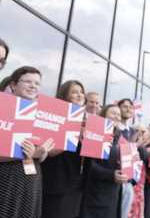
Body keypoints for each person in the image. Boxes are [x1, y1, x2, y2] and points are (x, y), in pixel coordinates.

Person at [0, 66, 55, 218]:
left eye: (37, 83)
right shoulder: (2, 107)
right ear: (13, 85)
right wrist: (26, 155)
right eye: (28, 81)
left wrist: (41, 153)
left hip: (31, 180)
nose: (33, 86)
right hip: (6, 179)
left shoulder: (41, 114)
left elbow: (40, 155)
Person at [42, 80, 86, 218]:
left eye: (81, 92)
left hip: (75, 184)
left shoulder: (85, 120)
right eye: (74, 92)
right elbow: (49, 151)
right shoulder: (53, 115)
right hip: (56, 182)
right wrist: (73, 135)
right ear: (64, 95)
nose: (80, 95)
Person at [81, 104, 127, 218]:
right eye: (113, 113)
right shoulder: (95, 132)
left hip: (113, 194)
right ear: (103, 115)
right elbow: (89, 165)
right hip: (95, 194)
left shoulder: (121, 139)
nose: (116, 116)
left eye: (118, 114)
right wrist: (111, 175)